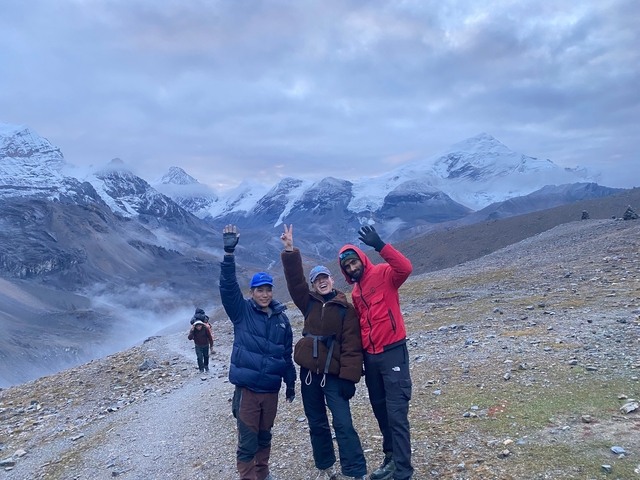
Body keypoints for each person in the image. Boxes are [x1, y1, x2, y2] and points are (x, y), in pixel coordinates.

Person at [280, 224, 367, 480]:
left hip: (334, 374)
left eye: (325, 278)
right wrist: (289, 251)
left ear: (332, 280)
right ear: (314, 285)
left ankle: (354, 470)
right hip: (309, 375)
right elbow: (295, 283)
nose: (322, 283)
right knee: (317, 423)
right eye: (317, 280)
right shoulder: (307, 303)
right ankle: (325, 466)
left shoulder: (345, 308)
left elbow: (352, 345)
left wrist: (350, 379)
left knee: (343, 423)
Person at [219, 224, 296, 480]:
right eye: (259, 290)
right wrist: (228, 255)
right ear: (251, 293)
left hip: (271, 390)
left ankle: (263, 474)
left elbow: (286, 354)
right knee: (248, 439)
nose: (264, 294)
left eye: (268, 289)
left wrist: (291, 383)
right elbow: (228, 289)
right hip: (248, 391)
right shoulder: (241, 313)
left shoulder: (282, 319)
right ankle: (248, 477)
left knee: (265, 435)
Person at [339, 225, 414, 480]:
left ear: (361, 259)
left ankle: (403, 472)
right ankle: (391, 459)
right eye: (347, 267)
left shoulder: (384, 274)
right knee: (381, 411)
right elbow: (361, 324)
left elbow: (405, 268)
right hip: (371, 359)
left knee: (397, 413)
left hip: (393, 351)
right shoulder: (356, 291)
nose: (352, 269)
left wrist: (380, 245)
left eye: (353, 263)